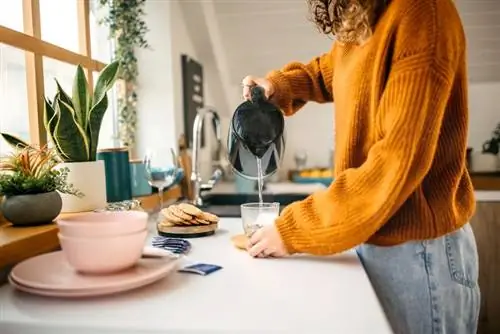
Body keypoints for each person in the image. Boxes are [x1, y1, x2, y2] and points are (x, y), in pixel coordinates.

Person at [241, 0, 480, 333]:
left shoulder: (422, 12)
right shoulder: (366, 14)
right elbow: (331, 70)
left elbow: (393, 166)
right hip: (372, 239)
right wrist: (280, 86)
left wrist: (292, 228)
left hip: (419, 255)